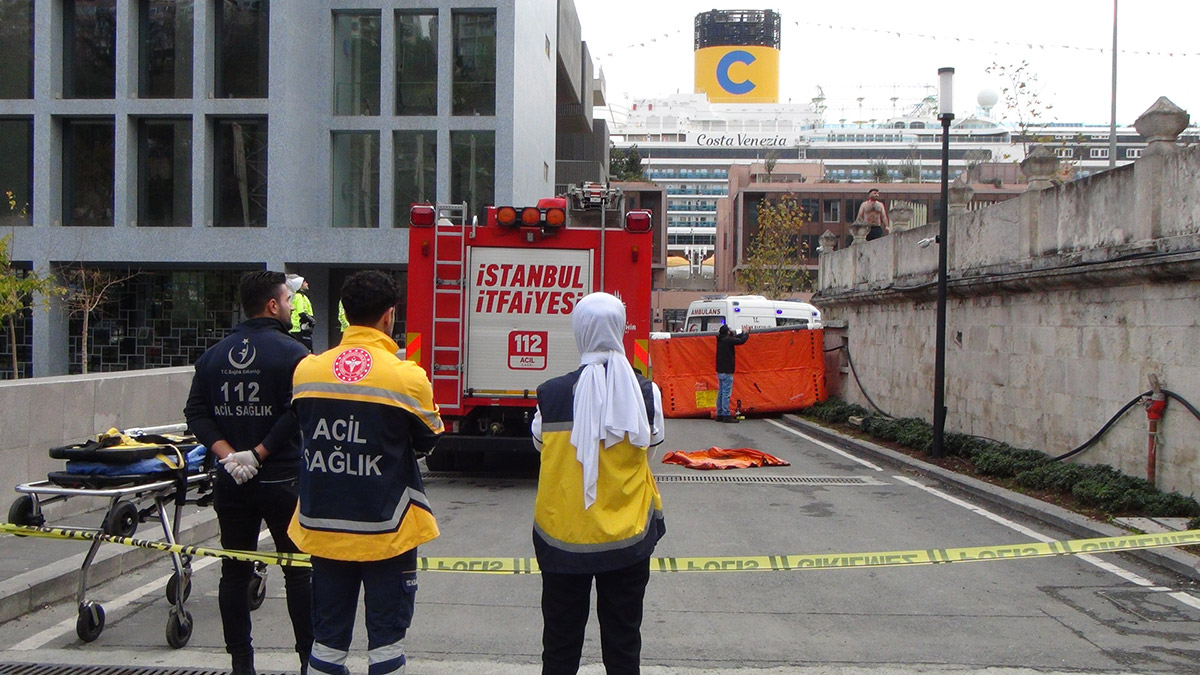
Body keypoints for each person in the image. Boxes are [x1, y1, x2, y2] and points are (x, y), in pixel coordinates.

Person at [288, 270, 443, 675]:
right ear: (389, 316)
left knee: (327, 642)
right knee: (387, 644)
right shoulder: (407, 377)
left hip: (323, 525)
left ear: (344, 312)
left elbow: (305, 430)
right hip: (387, 530)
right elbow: (427, 442)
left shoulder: (307, 371)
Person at [184, 270, 313, 675]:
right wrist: (257, 454)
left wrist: (229, 456)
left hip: (232, 482)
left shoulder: (214, 355)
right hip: (283, 480)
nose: (292, 308)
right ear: (273, 305)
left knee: (234, 573)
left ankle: (242, 663)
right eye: (288, 301)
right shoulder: (294, 354)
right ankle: (309, 660)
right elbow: (300, 410)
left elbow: (196, 412)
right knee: (298, 573)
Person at [530, 292, 666, 675]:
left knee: (559, 648)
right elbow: (650, 448)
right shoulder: (645, 393)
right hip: (627, 540)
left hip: (562, 540)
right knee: (624, 649)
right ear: (620, 331)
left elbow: (541, 446)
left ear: (580, 331)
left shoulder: (550, 395)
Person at [715, 323, 750, 423]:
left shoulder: (721, 340)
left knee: (721, 393)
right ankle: (726, 414)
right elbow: (740, 340)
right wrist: (746, 333)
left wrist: (742, 332)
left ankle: (719, 413)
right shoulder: (728, 340)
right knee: (726, 394)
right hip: (727, 371)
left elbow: (735, 338)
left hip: (720, 370)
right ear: (727, 332)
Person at [287, 274, 316, 351]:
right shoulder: (299, 297)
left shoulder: (303, 296)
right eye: (304, 282)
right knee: (306, 351)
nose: (307, 283)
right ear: (299, 285)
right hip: (299, 328)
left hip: (301, 328)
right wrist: (312, 320)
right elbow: (302, 313)